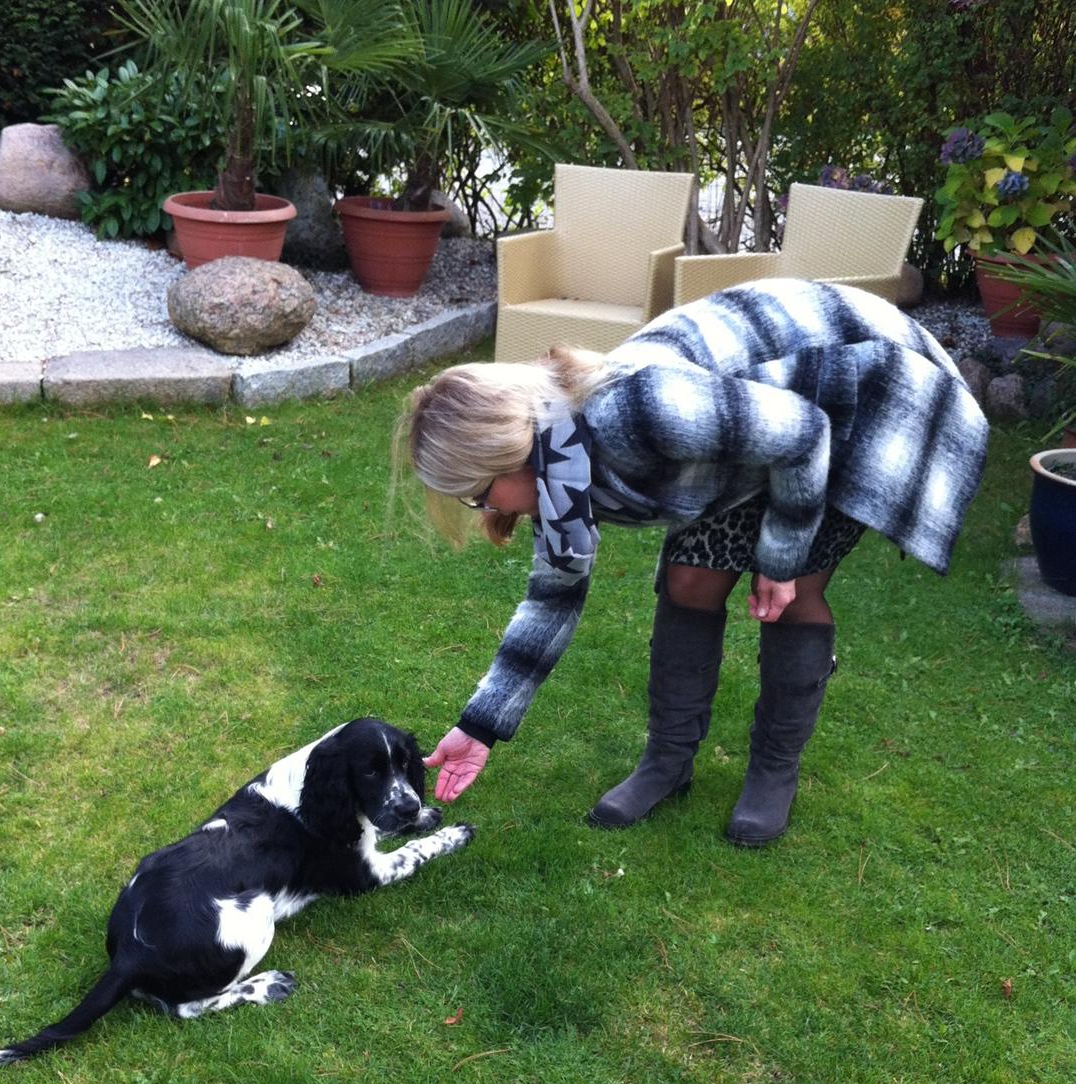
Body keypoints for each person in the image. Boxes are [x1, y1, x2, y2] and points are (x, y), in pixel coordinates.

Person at [393, 278, 989, 845]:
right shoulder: (558, 460)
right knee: (690, 580)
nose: (481, 510)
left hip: (859, 390)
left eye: (477, 493)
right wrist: (480, 726)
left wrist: (780, 559)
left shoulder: (638, 413)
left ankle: (774, 769)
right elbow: (553, 598)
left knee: (792, 591)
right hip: (753, 436)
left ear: (509, 454)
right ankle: (668, 761)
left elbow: (804, 434)